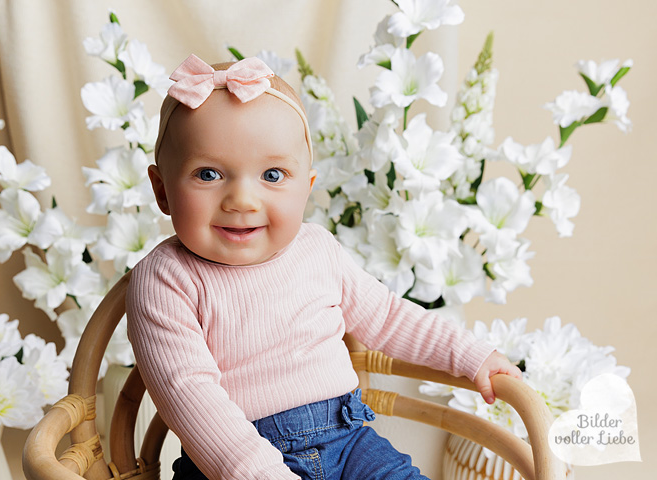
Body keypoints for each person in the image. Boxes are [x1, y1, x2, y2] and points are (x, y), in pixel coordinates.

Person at [126, 54, 522, 480]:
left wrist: (469, 355)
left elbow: (388, 316)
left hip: (349, 443)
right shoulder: (165, 280)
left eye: (273, 175)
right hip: (233, 463)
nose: (242, 199)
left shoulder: (317, 250)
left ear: (306, 189)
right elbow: (189, 394)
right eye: (208, 174)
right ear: (162, 190)